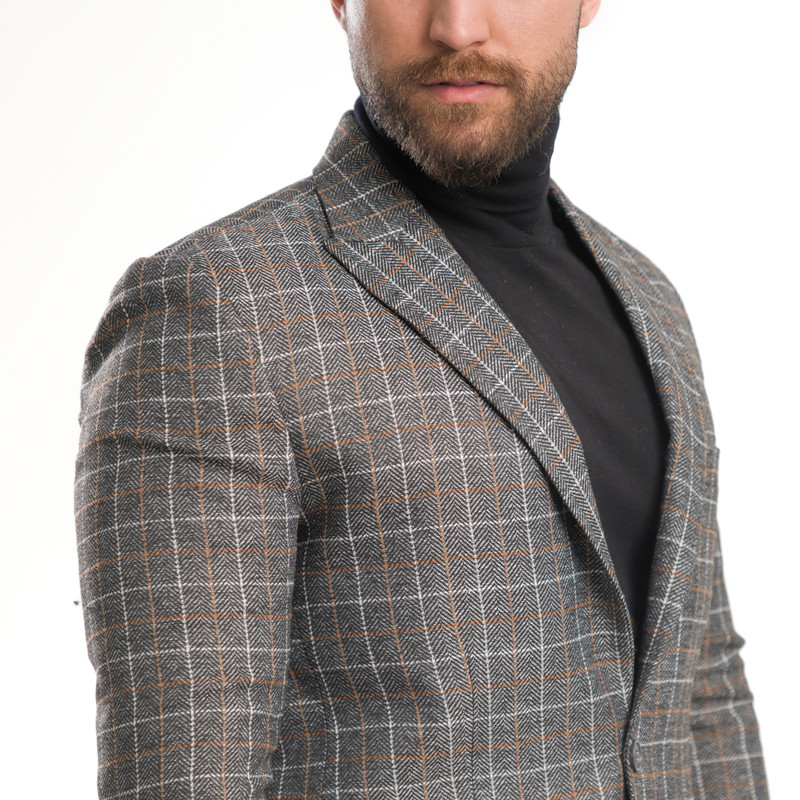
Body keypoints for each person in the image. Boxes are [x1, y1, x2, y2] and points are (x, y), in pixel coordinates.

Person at [74, 1, 768, 798]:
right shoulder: (217, 310)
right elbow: (186, 773)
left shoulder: (650, 300)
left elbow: (702, 686)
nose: (458, 27)